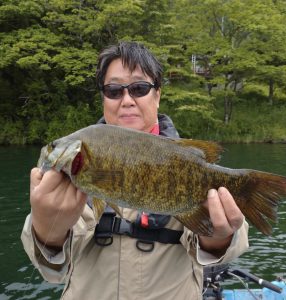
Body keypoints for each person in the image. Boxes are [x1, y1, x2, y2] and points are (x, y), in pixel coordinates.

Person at [21, 41, 249, 300]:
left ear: (158, 95)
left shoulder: (184, 161)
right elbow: (52, 270)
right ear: (103, 97)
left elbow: (229, 246)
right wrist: (46, 227)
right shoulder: (78, 169)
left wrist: (219, 237)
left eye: (139, 88)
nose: (127, 100)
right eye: (114, 90)